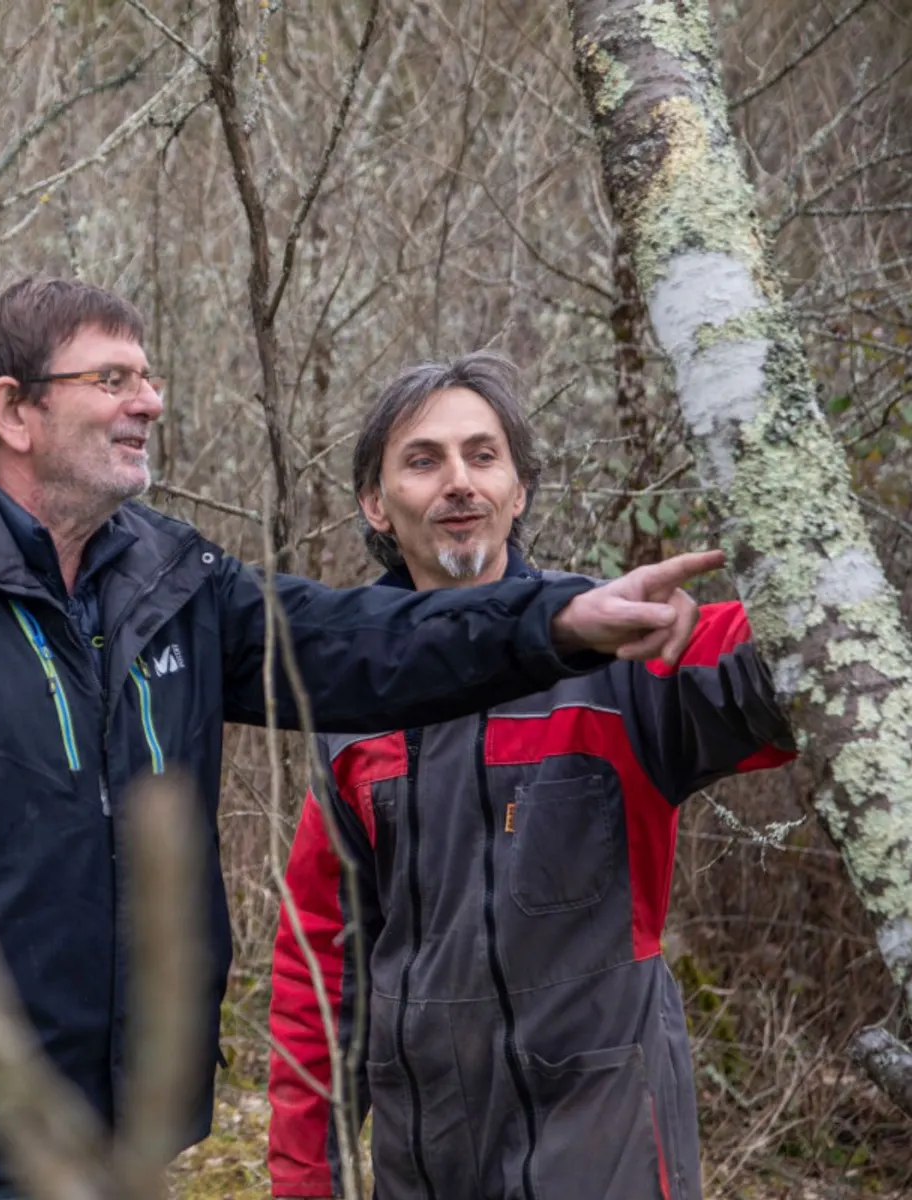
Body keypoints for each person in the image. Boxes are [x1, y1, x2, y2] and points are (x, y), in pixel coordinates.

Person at [0, 280, 721, 1200]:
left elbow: (362, 642)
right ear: (14, 412)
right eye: (113, 379)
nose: (150, 402)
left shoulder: (165, 583)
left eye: (149, 377)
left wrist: (556, 619)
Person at [266, 351, 796, 1200]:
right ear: (377, 503)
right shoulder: (351, 699)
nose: (459, 482)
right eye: (423, 459)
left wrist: (799, 584)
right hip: (429, 1151)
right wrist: (304, 1178)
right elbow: (320, 968)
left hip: (611, 1138)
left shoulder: (616, 645)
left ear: (518, 489)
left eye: (483, 455)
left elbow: (799, 672)